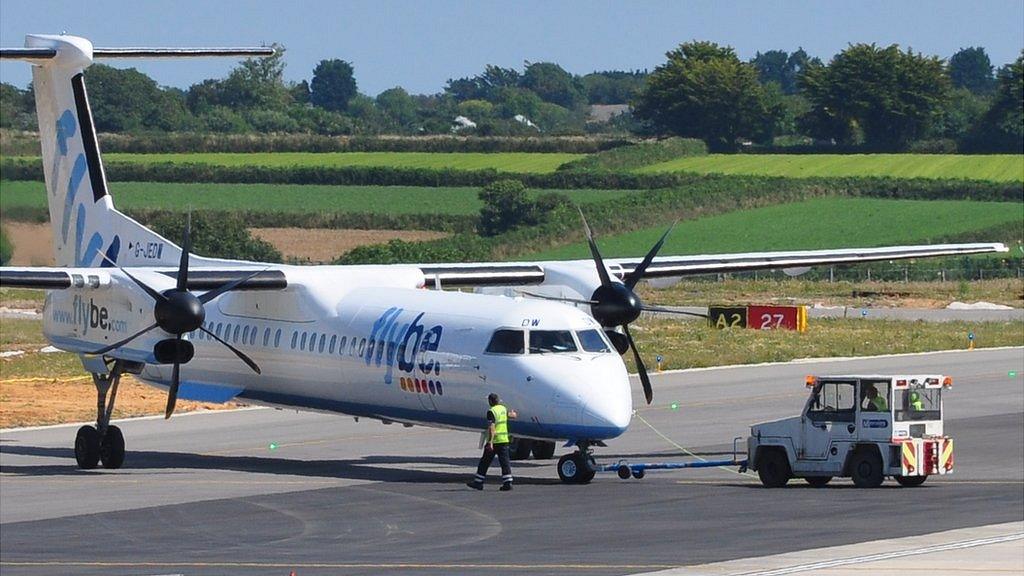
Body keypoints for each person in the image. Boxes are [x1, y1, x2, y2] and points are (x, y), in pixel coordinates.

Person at [467, 393, 517, 491]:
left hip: (495, 441)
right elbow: (512, 416)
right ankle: (508, 482)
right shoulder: (502, 409)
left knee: (484, 462)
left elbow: (492, 427)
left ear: (490, 401)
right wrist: (513, 413)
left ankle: (478, 482)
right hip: (504, 440)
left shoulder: (491, 412)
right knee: (505, 462)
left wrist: (490, 442)